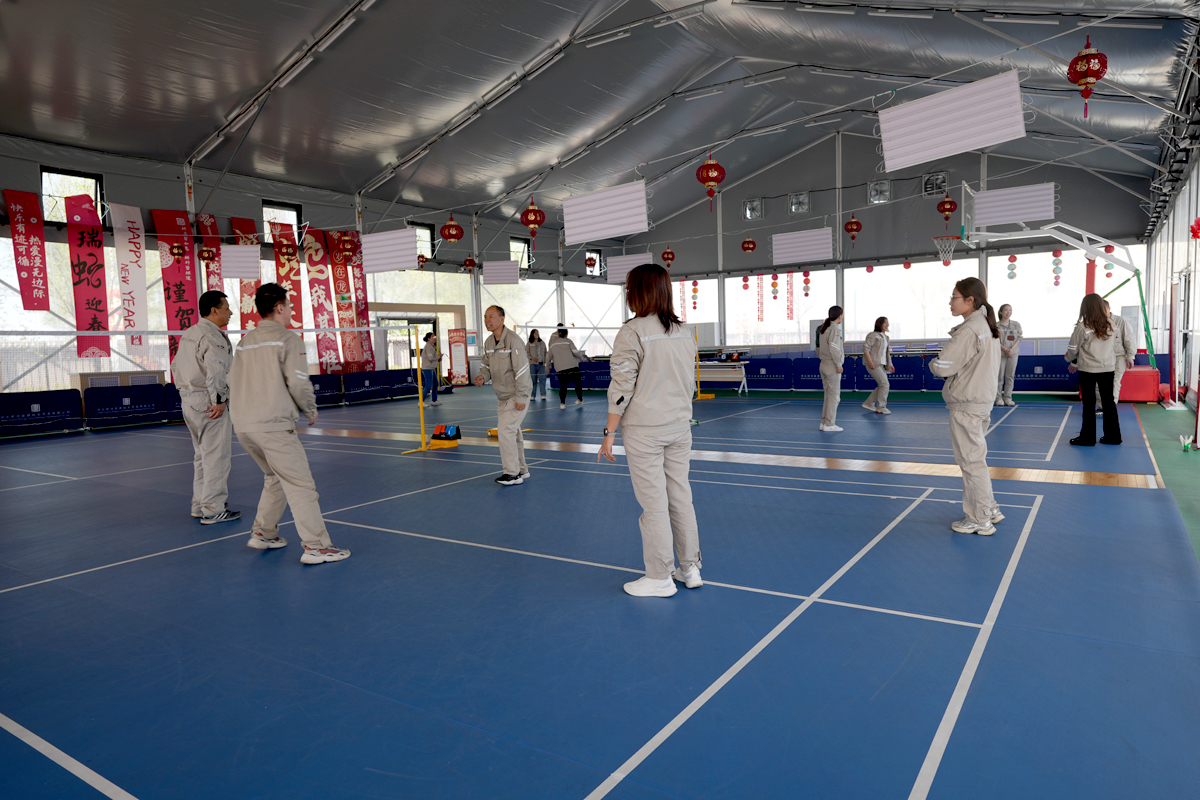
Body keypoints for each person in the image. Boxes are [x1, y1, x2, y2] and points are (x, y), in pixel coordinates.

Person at [227, 283, 350, 564]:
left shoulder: (245, 342)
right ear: (280, 307)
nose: (292, 311)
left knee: (275, 477)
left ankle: (263, 532)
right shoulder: (288, 339)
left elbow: (231, 380)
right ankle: (317, 547)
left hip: (244, 426)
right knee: (300, 484)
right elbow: (297, 381)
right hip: (272, 425)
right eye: (290, 306)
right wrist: (310, 408)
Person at [599, 264, 701, 598]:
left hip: (645, 430)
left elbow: (622, 386)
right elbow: (688, 382)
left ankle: (659, 576)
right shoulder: (683, 332)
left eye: (629, 288)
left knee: (654, 504)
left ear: (639, 292)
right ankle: (690, 567)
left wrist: (609, 433)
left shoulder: (632, 331)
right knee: (681, 497)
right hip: (680, 426)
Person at [929, 278, 1003, 536]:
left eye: (954, 297)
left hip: (968, 403)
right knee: (976, 459)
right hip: (981, 400)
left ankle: (979, 519)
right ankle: (989, 508)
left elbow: (943, 366)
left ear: (970, 300)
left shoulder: (970, 329)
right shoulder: (986, 326)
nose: (950, 302)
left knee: (971, 462)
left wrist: (933, 363)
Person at [172, 289, 240, 524]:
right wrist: (219, 401)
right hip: (208, 402)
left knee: (202, 455)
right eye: (227, 308)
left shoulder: (190, 333)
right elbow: (216, 371)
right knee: (217, 457)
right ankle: (213, 508)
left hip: (189, 401)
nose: (230, 313)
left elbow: (175, 365)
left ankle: (200, 504)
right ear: (214, 310)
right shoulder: (212, 336)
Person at [474, 305, 532, 485]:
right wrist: (483, 376)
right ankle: (521, 470)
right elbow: (486, 365)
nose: (487, 320)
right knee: (513, 432)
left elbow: (522, 371)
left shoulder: (513, 341)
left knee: (505, 431)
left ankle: (512, 474)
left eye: (491, 316)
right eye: (485, 317)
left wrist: (521, 397)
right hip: (502, 396)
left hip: (517, 393)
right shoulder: (489, 343)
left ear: (502, 319)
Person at [1065, 293, 1122, 446]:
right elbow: (1115, 345)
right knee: (1108, 402)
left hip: (1088, 369)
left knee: (1089, 403)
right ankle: (1113, 437)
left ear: (1085, 308)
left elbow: (1073, 349)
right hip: (1107, 367)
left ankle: (1088, 438)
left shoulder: (1082, 327)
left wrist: (1069, 358)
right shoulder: (1112, 324)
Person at [546, 324, 589, 409]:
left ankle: (562, 403)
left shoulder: (553, 344)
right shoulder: (568, 341)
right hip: (572, 366)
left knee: (563, 386)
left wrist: (548, 364)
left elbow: (548, 356)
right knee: (578, 384)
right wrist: (582, 358)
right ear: (566, 334)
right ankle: (580, 399)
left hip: (560, 368)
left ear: (558, 334)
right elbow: (575, 351)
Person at [816, 306, 844, 432]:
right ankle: (829, 424)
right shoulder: (834, 329)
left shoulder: (824, 328)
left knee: (828, 396)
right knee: (834, 397)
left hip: (823, 364)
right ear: (839, 315)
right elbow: (834, 348)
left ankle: (824, 422)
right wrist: (838, 364)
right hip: (832, 365)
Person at [1107, 299, 1137, 410]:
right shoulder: (1098, 322)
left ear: (1109, 309)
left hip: (1119, 356)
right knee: (1101, 383)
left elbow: (1129, 338)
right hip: (1103, 358)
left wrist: (1130, 356)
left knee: (1115, 381)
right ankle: (1102, 406)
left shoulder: (1121, 321)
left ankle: (1111, 407)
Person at [862, 316, 895, 415]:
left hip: (882, 365)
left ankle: (869, 403)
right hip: (874, 364)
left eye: (887, 323)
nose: (887, 325)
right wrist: (870, 361)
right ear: (879, 324)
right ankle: (881, 407)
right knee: (885, 384)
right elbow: (866, 348)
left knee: (882, 385)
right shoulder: (873, 335)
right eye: (885, 323)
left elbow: (886, 353)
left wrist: (890, 364)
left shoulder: (886, 337)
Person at [996, 304, 1023, 407]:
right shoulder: (996, 326)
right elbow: (994, 340)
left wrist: (1011, 349)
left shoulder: (1016, 324)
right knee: (999, 376)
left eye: (1010, 310)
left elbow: (1019, 338)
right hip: (1001, 354)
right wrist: (1005, 349)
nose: (1008, 312)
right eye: (1006, 310)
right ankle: (998, 398)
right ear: (1001, 312)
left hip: (1013, 354)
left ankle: (1008, 398)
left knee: (1010, 376)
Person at [419, 331, 441, 408]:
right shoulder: (428, 346)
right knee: (428, 385)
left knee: (435, 384)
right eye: (432, 337)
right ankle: (421, 401)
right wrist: (438, 356)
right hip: (427, 368)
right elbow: (430, 358)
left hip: (431, 368)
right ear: (428, 338)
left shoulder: (432, 346)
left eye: (435, 336)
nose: (434, 338)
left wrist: (438, 358)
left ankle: (434, 400)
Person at [527, 329, 547, 401]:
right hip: (533, 364)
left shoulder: (542, 343)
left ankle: (543, 394)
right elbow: (526, 352)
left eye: (537, 333)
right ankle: (532, 395)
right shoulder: (529, 343)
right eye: (535, 333)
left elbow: (546, 352)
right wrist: (531, 358)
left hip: (541, 364)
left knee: (542, 379)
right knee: (533, 380)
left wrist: (545, 359)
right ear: (532, 334)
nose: (536, 334)